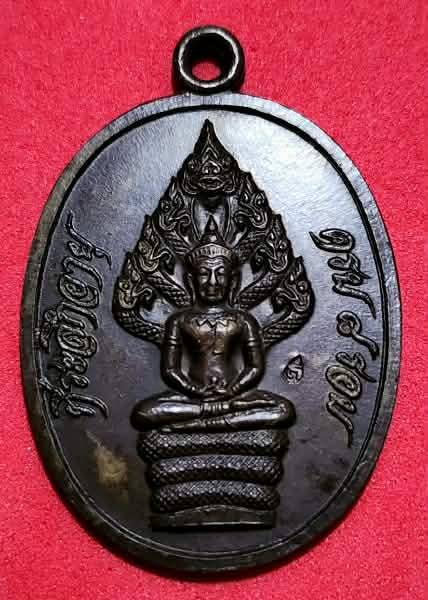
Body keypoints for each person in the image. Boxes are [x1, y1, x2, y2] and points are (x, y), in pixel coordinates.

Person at [131, 217, 294, 433]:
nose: (213, 282)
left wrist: (232, 390)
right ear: (191, 281)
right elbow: (170, 370)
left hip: (234, 397)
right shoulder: (179, 321)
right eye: (204, 274)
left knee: (284, 410)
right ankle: (217, 417)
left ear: (233, 281)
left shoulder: (243, 320)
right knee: (144, 413)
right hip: (192, 398)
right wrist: (195, 391)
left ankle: (200, 424)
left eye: (220, 274)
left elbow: (254, 367)